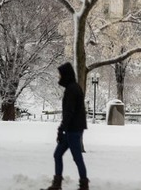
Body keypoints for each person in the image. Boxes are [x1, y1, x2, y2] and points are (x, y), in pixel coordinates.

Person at [44, 62, 89, 190]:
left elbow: (69, 112)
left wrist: (61, 129)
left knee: (77, 158)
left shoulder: (72, 89)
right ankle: (57, 183)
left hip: (73, 130)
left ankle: (84, 185)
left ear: (66, 75)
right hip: (71, 129)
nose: (59, 77)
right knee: (58, 154)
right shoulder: (73, 88)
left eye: (60, 75)